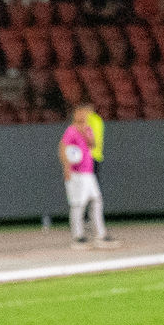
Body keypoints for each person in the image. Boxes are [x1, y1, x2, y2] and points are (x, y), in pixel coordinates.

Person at [58, 104, 118, 250]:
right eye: (82, 113)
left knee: (96, 200)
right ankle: (78, 236)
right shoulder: (71, 131)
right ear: (76, 114)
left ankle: (100, 234)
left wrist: (86, 133)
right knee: (78, 204)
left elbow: (93, 145)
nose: (85, 115)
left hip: (88, 172)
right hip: (77, 173)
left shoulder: (87, 129)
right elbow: (63, 148)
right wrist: (66, 168)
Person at [85, 104, 105, 183]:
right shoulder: (97, 119)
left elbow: (92, 139)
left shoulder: (88, 119)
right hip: (95, 156)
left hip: (89, 156)